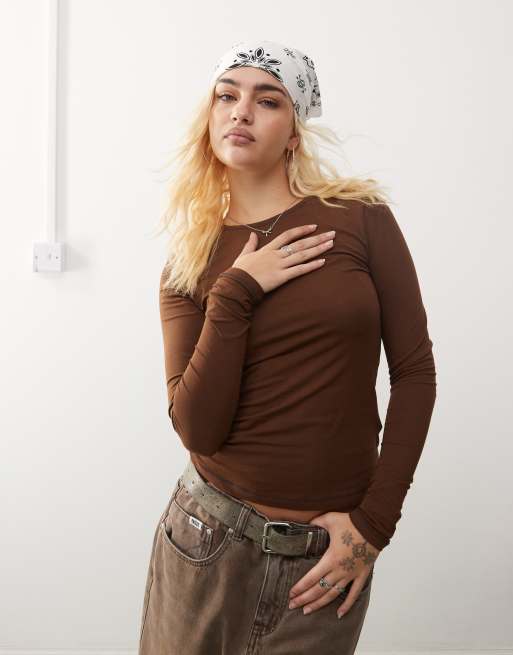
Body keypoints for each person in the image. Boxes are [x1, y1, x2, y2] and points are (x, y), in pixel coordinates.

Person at [138, 39, 437, 654]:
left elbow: (414, 372)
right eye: (226, 96)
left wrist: (374, 526)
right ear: (209, 118)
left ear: (295, 130)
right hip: (206, 541)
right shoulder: (188, 263)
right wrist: (236, 292)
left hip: (325, 562)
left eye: (268, 100)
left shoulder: (359, 218)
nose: (241, 111)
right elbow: (198, 428)